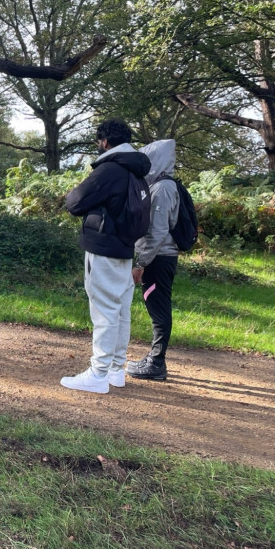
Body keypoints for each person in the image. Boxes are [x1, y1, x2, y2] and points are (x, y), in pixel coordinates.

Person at [60, 119, 151, 394]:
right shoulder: (136, 170)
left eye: (98, 142)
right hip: (125, 246)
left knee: (104, 311)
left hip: (104, 247)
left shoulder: (110, 169)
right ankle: (115, 370)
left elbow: (75, 202)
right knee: (121, 310)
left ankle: (98, 374)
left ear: (104, 141)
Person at [128, 139, 181, 381]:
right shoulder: (161, 186)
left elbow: (158, 232)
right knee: (156, 306)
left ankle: (157, 362)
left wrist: (141, 264)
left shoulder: (163, 189)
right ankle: (154, 359)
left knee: (158, 309)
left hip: (159, 259)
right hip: (158, 257)